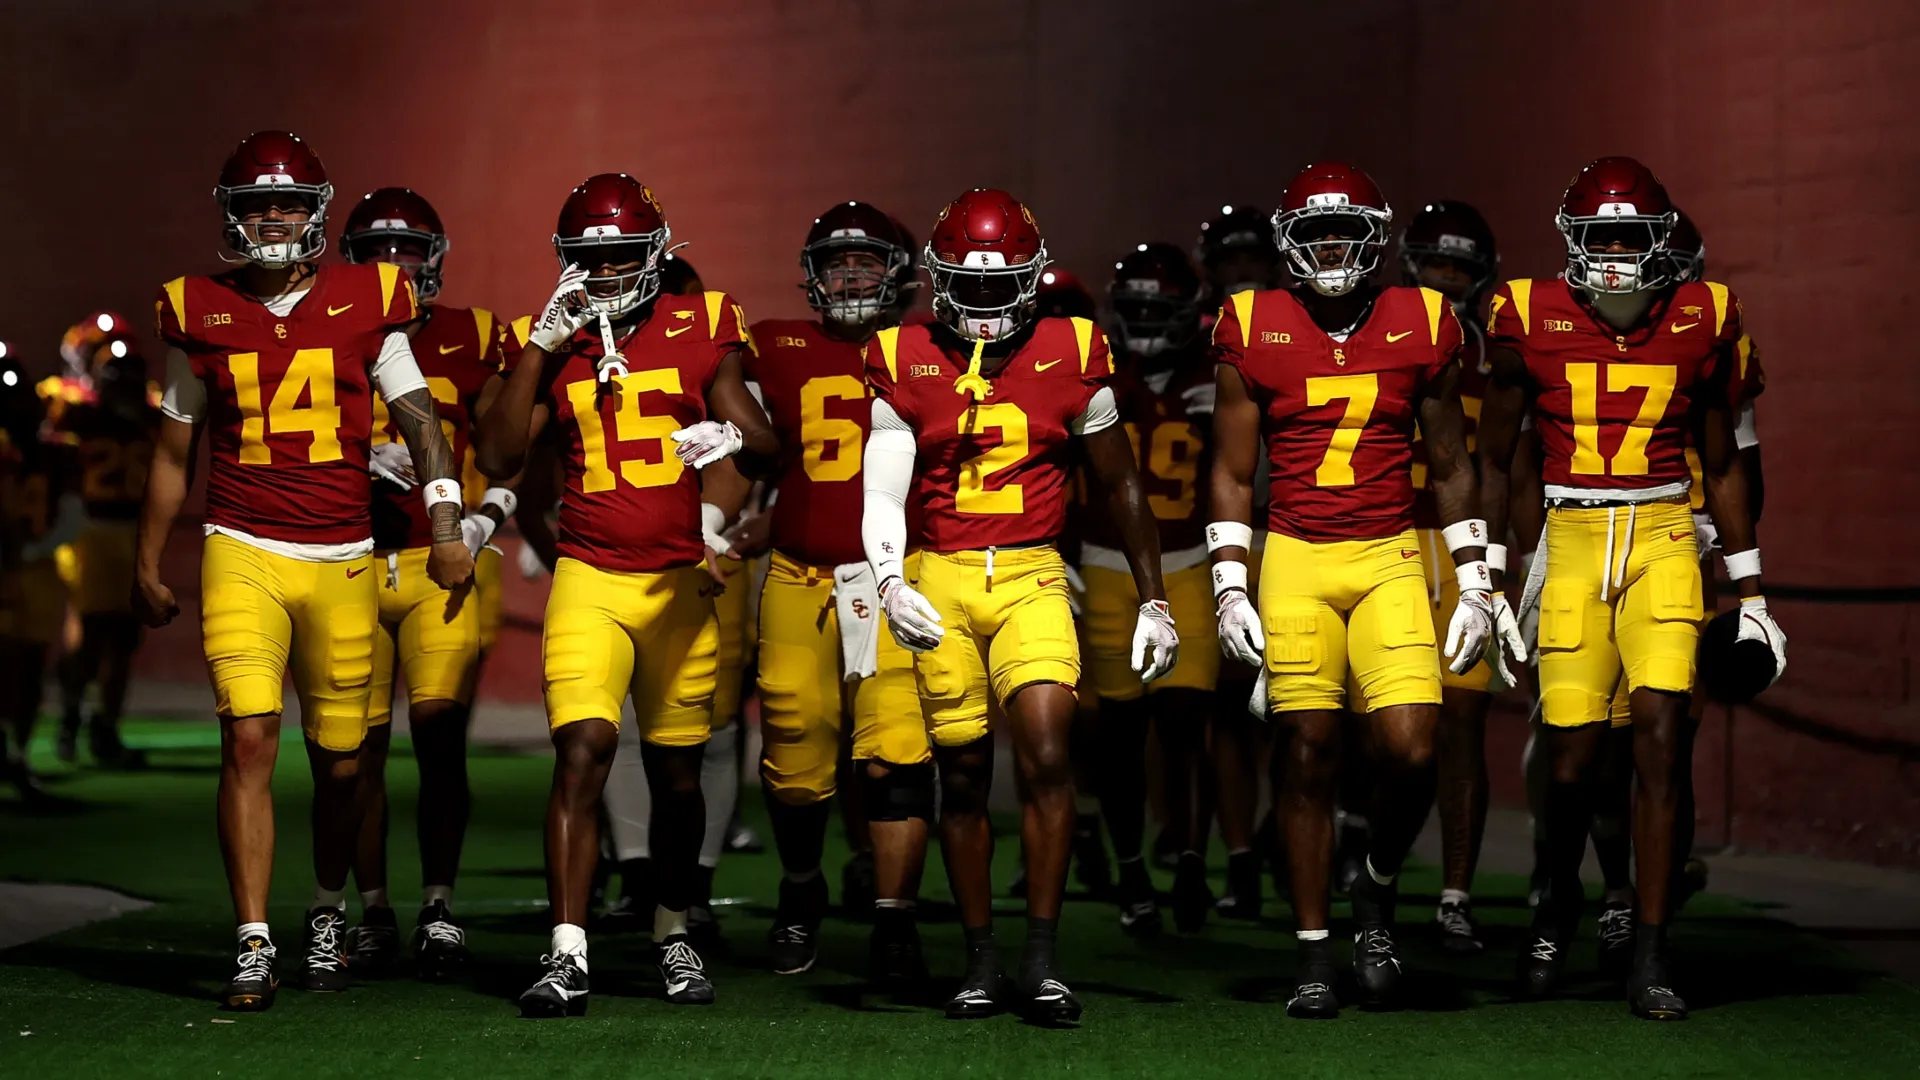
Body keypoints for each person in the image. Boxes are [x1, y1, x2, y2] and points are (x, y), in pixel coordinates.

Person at [135, 131, 473, 1010]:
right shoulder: (196, 306)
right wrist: (146, 561)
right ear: (231, 215)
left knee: (344, 764)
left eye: (288, 203)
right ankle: (253, 937)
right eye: (256, 204)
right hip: (241, 545)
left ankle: (326, 906)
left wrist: (445, 521)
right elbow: (174, 451)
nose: (272, 218)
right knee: (247, 737)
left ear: (321, 213)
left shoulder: (369, 296)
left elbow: (425, 421)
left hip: (342, 554)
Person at [861, 187, 1180, 1023]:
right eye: (966, 285)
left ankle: (1041, 958)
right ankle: (980, 958)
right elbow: (884, 491)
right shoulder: (902, 353)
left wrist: (1156, 602)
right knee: (962, 775)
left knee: (1046, 746)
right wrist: (890, 582)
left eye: (1001, 287)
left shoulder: (1074, 345)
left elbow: (1120, 483)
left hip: (1034, 573)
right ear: (936, 281)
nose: (983, 304)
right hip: (940, 575)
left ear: (1033, 281)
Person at [1477, 156, 1784, 1020]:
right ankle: (1556, 902)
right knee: (1571, 759)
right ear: (1571, 241)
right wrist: (1491, 581)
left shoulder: (1704, 317)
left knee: (1660, 738)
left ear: (1662, 243)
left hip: (1662, 535)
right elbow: (1499, 456)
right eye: (1599, 235)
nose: (1613, 252)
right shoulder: (1527, 316)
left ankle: (1650, 945)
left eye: (1629, 236)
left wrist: (1753, 592)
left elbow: (1722, 462)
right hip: (1572, 535)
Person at [476, 173, 777, 1016]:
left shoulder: (699, 323)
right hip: (590, 577)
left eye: (618, 258)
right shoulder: (555, 343)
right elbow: (499, 458)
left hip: (680, 581)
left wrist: (730, 434)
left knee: (679, 776)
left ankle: (672, 929)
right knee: (581, 754)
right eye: (589, 260)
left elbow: (766, 442)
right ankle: (568, 951)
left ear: (652, 255)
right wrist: (538, 347)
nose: (604, 275)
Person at [1207, 162, 1492, 1019]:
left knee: (1412, 746)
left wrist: (1476, 577)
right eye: (1316, 234)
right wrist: (1230, 583)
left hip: (1390, 554)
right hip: (1294, 554)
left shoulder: (1428, 321)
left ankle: (1373, 883)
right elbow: (1230, 469)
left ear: (1378, 238)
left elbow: (1449, 464)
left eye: (1347, 232)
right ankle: (1312, 952)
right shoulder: (1252, 321)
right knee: (1306, 756)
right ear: (1288, 245)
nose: (1333, 249)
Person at [735, 201, 936, 984]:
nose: (850, 275)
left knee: (893, 754)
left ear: (901, 273)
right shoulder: (775, 345)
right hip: (797, 576)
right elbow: (709, 397)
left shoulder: (929, 350)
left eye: (866, 262)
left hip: (897, 578)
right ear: (812, 276)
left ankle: (894, 919)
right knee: (794, 754)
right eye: (836, 263)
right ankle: (799, 887)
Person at [334, 186, 514, 979]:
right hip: (349, 562)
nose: (396, 266)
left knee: (441, 742)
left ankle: (438, 902)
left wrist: (487, 518)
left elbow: (515, 453)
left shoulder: (476, 336)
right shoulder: (325, 329)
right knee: (357, 751)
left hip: (440, 563)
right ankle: (371, 906)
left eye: (409, 250)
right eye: (379, 251)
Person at [1084, 242, 1220, 934]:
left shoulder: (1213, 377)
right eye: (1134, 308)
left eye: (1154, 310)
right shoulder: (1098, 375)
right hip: (1106, 564)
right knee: (1120, 731)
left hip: (1191, 560)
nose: (1142, 321)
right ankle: (1133, 867)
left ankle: (1192, 859)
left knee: (1186, 722)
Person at [1397, 200, 1504, 952]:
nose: (1445, 278)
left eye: (1459, 268)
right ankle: (1366, 854)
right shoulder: (1380, 325)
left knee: (1463, 719)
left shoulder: (1503, 345)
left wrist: (1504, 563)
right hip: (1383, 539)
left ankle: (1455, 893)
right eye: (1436, 263)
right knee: (1377, 723)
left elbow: (1506, 463)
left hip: (1461, 542)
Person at [47, 318, 157, 768]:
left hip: (129, 534)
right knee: (89, 636)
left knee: (123, 638)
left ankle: (101, 726)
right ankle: (73, 720)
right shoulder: (74, 408)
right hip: (91, 533)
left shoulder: (90, 409)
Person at [2, 347, 82, 801]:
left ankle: (16, 752)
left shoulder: (55, 454)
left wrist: (31, 549)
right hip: (25, 566)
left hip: (33, 572)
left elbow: (72, 514)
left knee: (29, 669)